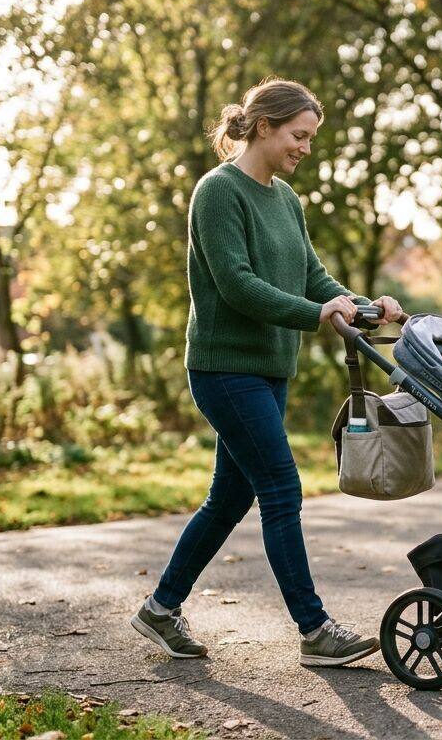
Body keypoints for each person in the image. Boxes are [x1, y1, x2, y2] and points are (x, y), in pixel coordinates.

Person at [130, 77, 402, 668]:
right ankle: (314, 630)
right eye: (298, 136)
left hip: (271, 369)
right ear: (263, 127)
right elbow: (238, 285)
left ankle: (160, 608)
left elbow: (313, 278)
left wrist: (363, 306)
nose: (305, 148)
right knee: (281, 487)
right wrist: (317, 314)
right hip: (224, 368)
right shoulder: (217, 192)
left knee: (228, 500)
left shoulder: (286, 200)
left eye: (310, 138)